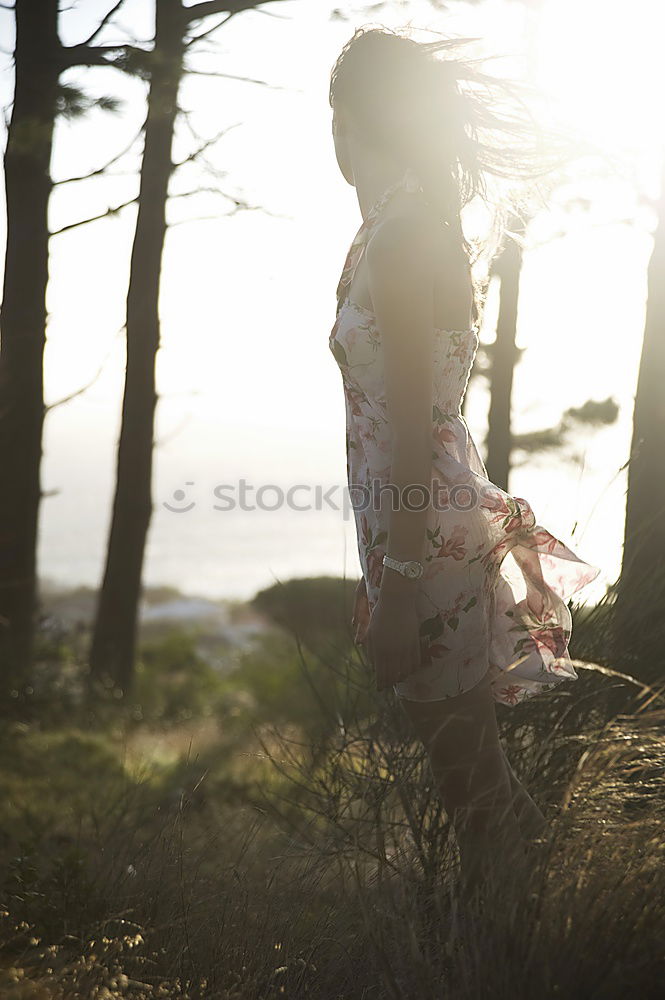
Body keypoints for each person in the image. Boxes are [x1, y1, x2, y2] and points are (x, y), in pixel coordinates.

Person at [328, 26, 601, 896]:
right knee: (476, 791)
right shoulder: (398, 224)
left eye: (335, 114)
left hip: (426, 540)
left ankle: (525, 960)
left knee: (474, 797)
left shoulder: (405, 234)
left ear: (359, 121)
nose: (330, 135)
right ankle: (545, 942)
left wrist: (402, 578)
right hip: (417, 534)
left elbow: (412, 424)